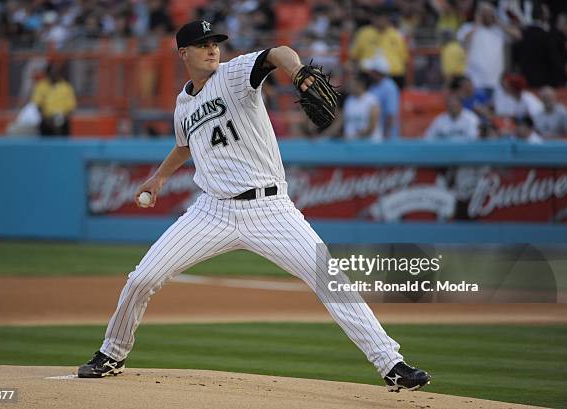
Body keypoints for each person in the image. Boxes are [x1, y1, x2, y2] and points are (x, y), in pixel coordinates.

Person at [77, 20, 431, 392]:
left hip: (271, 210)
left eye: (215, 42)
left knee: (330, 278)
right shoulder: (183, 105)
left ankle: (392, 364)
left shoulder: (233, 74)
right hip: (211, 211)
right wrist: (159, 177)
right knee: (142, 279)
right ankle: (111, 353)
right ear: (184, 53)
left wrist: (298, 73)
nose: (212, 48)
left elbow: (277, 53)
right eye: (202, 44)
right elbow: (185, 145)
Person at [457, 2, 521, 95]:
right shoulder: (467, 27)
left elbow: (517, 36)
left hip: (496, 81)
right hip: (475, 81)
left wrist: (499, 22)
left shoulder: (499, 30)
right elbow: (463, 41)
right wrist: (477, 22)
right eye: (484, 13)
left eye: (490, 13)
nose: (487, 15)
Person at [350, 7, 409, 88]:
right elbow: (354, 56)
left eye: (383, 17)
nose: (380, 20)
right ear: (373, 18)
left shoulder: (397, 35)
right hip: (368, 75)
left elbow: (404, 59)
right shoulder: (364, 33)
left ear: (387, 18)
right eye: (377, 17)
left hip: (393, 75)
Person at [325, 72, 382, 141]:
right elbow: (340, 121)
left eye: (352, 83)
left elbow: (371, 127)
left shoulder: (372, 101)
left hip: (368, 144)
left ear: (360, 84)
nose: (349, 85)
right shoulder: (349, 101)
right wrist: (324, 137)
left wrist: (355, 136)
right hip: (351, 145)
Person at [362, 55, 400, 140]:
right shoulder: (373, 86)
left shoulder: (390, 88)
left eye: (372, 71)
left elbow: (390, 115)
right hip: (376, 136)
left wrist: (386, 137)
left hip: (385, 137)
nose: (369, 73)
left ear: (377, 72)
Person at [35, 64, 76, 137]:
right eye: (51, 73)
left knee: (63, 130)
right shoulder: (41, 86)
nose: (53, 75)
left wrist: (62, 119)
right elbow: (38, 105)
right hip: (46, 120)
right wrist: (47, 119)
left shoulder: (66, 87)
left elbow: (71, 107)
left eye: (55, 73)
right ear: (47, 74)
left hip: (63, 120)